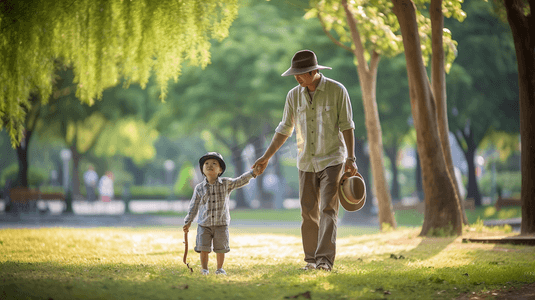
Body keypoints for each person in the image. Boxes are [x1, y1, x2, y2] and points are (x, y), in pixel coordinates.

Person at [252, 50, 358, 271]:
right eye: (295, 74)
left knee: (328, 209)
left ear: (314, 71)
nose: (297, 78)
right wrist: (266, 156)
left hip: (332, 158)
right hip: (306, 162)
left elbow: (347, 126)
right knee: (308, 211)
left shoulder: (337, 91)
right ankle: (310, 260)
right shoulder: (293, 95)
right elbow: (284, 129)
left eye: (300, 74)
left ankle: (324, 261)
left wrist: (351, 158)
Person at [183, 152, 260, 275]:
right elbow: (194, 206)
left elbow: (239, 181)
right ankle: (204, 269)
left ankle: (219, 268)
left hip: (221, 224)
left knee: (221, 249)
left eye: (214, 163)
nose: (209, 166)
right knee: (203, 248)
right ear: (202, 170)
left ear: (220, 170)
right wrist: (188, 221)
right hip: (204, 224)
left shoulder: (226, 183)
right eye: (206, 164)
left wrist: (252, 173)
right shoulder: (199, 188)